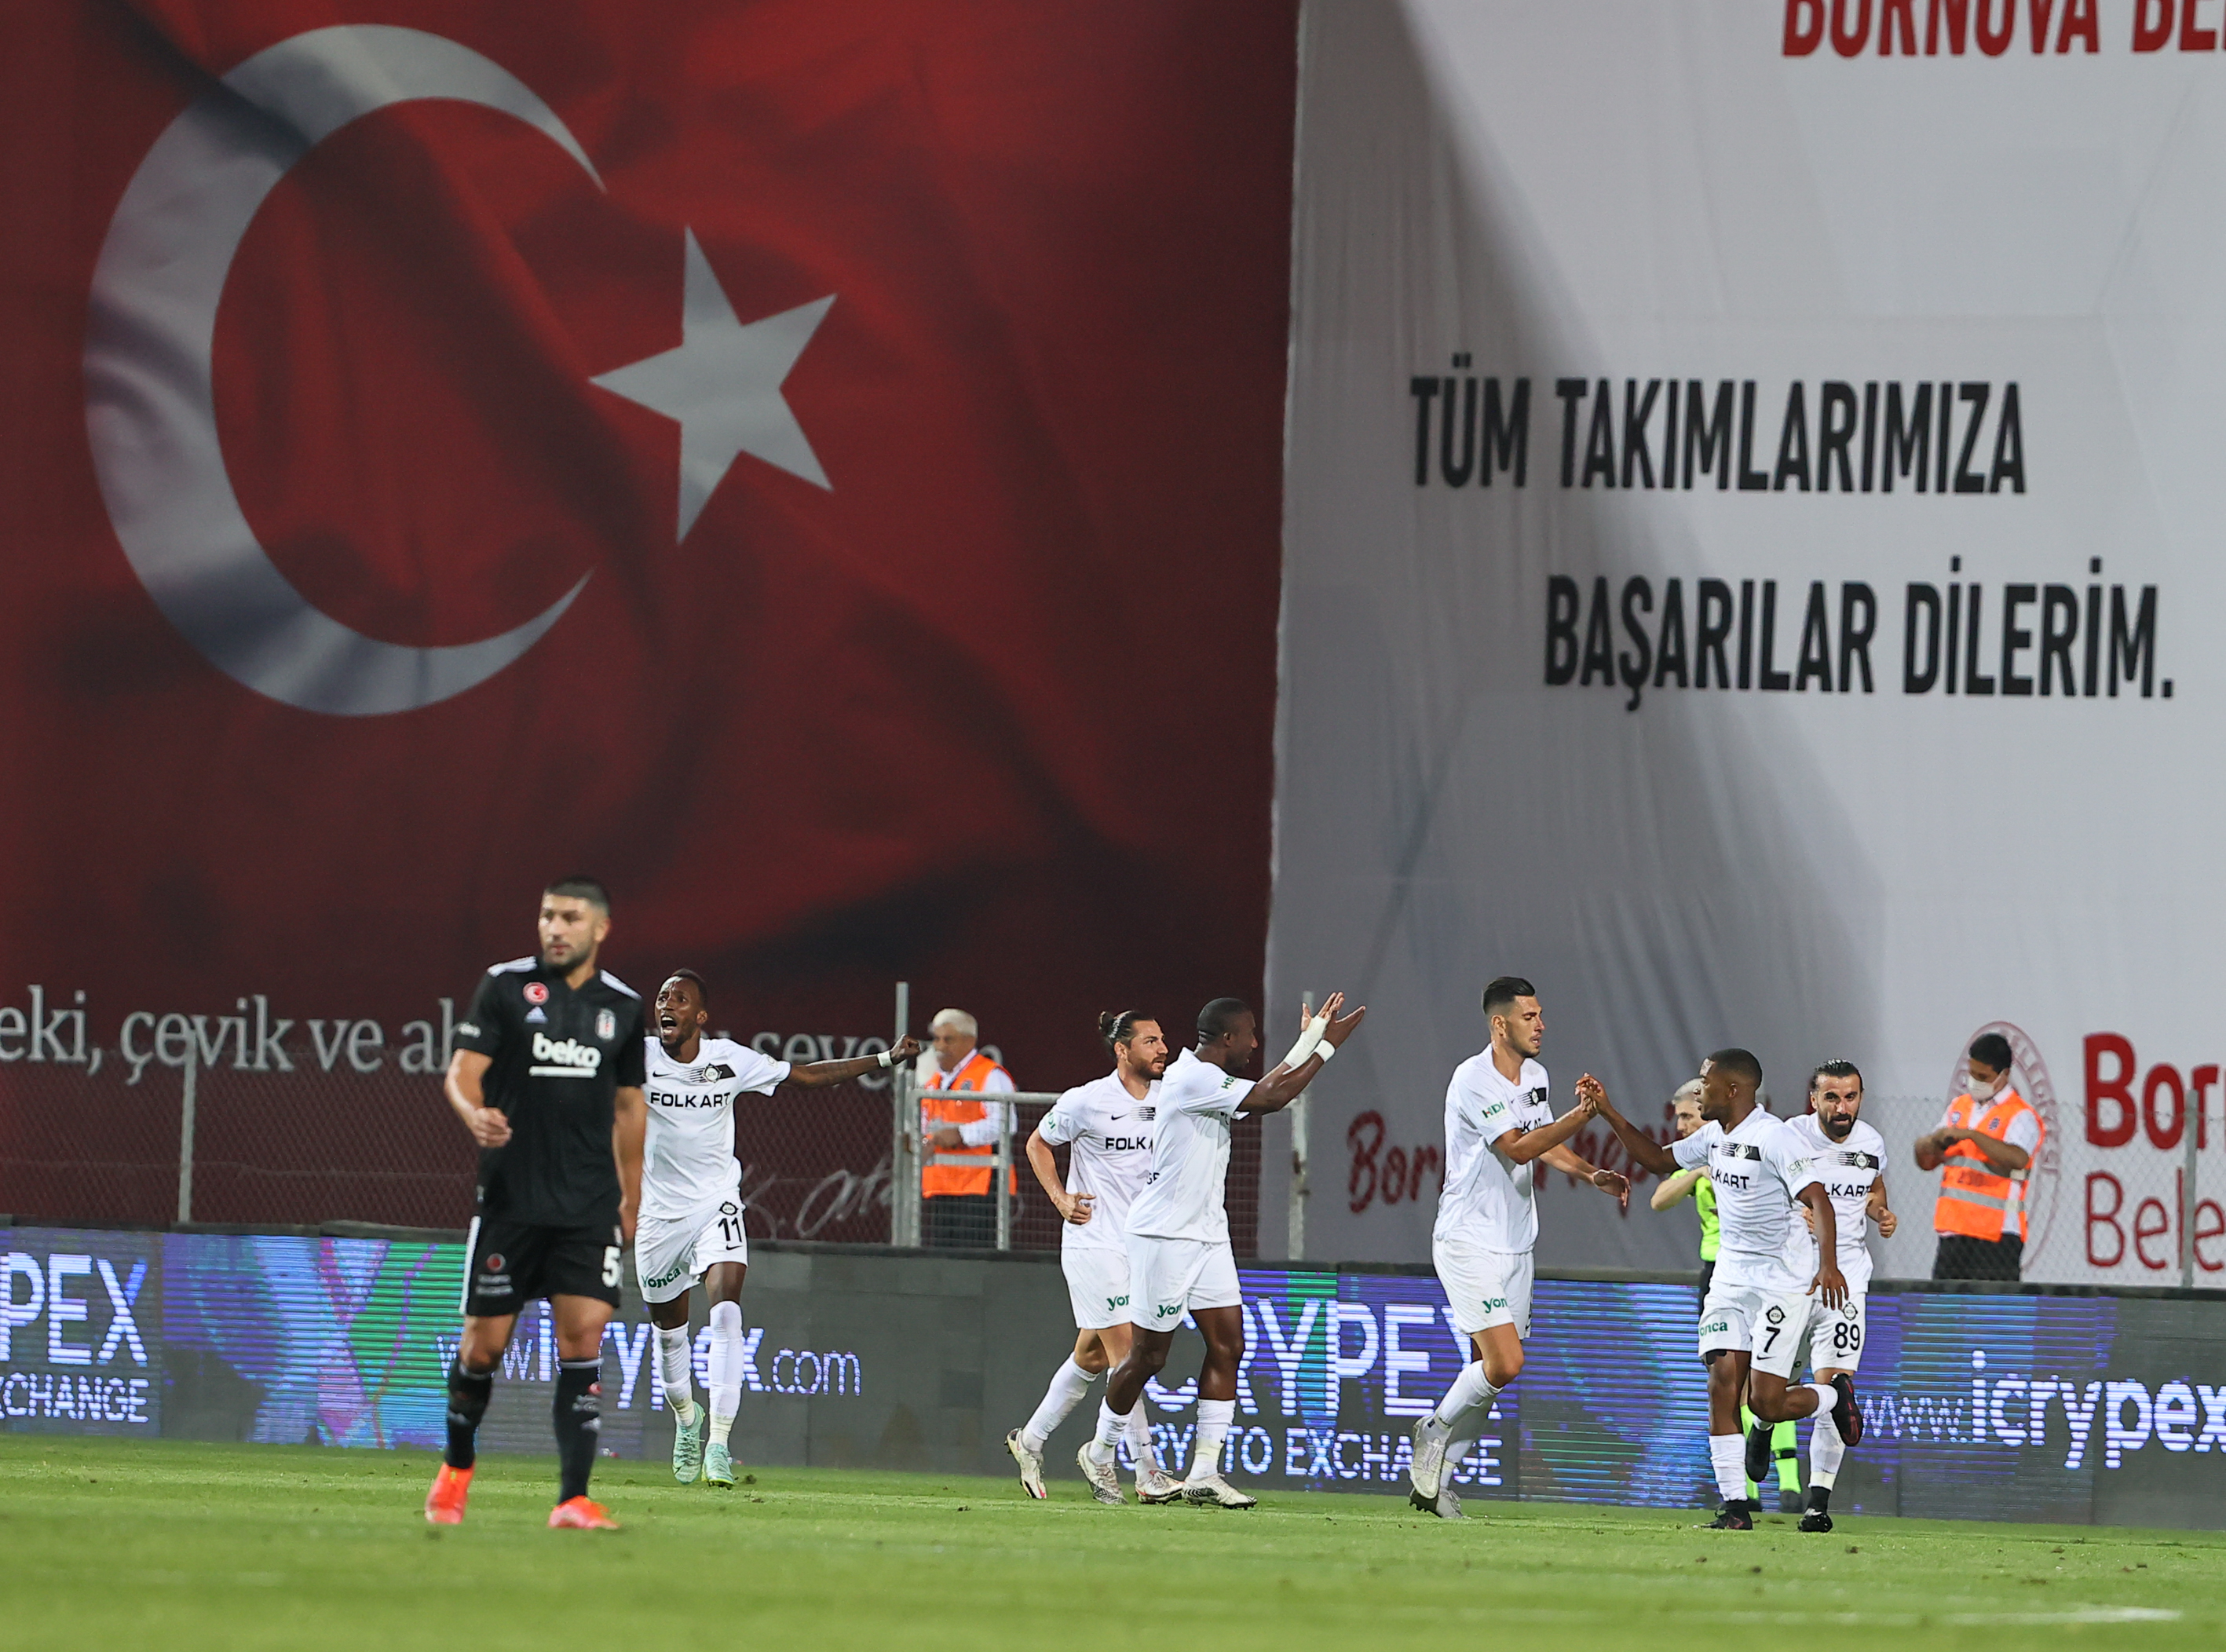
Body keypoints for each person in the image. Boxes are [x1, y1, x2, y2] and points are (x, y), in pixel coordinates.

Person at [425, 876, 648, 1531]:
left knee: (583, 1339)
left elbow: (630, 1105)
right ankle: (455, 1470)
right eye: (548, 915)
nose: (555, 928)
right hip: (511, 1201)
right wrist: (473, 1112)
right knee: (482, 1350)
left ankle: (572, 1499)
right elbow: (462, 1072)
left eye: (570, 918)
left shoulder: (624, 1008)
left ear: (599, 929)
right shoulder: (503, 987)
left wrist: (631, 1194)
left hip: (587, 1205)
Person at [1084, 994, 1365, 1508]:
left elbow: (1267, 1085)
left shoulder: (1208, 1078)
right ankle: (1099, 1453)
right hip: (1163, 1234)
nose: (1255, 1043)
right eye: (1250, 1034)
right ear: (1227, 1038)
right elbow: (1273, 1097)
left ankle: (1203, 1474)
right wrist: (1324, 1048)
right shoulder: (1192, 1077)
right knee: (1149, 1356)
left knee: (1228, 1346)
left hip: (1208, 1234)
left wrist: (1307, 1040)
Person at [641, 970, 921, 1487]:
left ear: (699, 1017)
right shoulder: (635, 1059)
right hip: (657, 1217)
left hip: (715, 1205)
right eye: (662, 997)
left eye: (679, 999)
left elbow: (808, 1077)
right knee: (668, 1339)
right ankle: (687, 1420)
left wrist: (884, 1059)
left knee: (726, 1317)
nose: (667, 1004)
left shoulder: (728, 1058)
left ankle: (720, 1445)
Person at [1584, 1050, 1864, 1530]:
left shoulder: (1774, 1138)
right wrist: (1607, 1111)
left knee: (1766, 1403)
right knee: (1720, 1386)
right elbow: (1654, 1159)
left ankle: (1835, 1396)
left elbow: (1818, 1197)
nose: (1699, 1092)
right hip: (1730, 1281)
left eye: (1706, 1085)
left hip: (1782, 1284)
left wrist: (1831, 1266)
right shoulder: (1713, 1136)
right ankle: (1735, 1507)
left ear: (1733, 1091)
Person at [1407, 977, 1628, 1520]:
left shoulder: (1535, 1075)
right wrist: (1581, 1116)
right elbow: (1516, 1146)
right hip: (1467, 1239)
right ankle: (1430, 1431)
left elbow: (1541, 1143)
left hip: (1515, 1244)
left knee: (1488, 1373)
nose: (1541, 1025)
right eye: (1529, 1016)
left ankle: (1437, 1486)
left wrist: (1588, 1171)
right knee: (1505, 1362)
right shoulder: (1473, 1079)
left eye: (1540, 1014)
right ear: (1499, 1023)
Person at [1005, 1011, 1179, 1505]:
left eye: (1163, 1039)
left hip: (1142, 1245)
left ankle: (1031, 1440)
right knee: (1129, 1356)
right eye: (1151, 1041)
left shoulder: (1170, 1099)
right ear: (1123, 1050)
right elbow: (1039, 1144)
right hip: (1093, 1241)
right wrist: (1061, 1199)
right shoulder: (1087, 1100)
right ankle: (1143, 1470)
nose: (1162, 1048)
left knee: (1093, 1354)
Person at [1652, 1080, 1797, 1513]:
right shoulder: (1704, 1155)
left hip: (1767, 1274)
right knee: (1728, 1384)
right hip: (1719, 1275)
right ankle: (1745, 1494)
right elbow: (1659, 1199)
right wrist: (1698, 1172)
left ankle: (1789, 1484)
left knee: (1768, 1382)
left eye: (1686, 1117)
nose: (1680, 1126)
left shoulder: (1758, 1148)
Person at [1766, 1059, 1895, 1533]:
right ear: (1814, 1100)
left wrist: (1881, 1211)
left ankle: (1818, 1504)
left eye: (1852, 1097)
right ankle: (1762, 1430)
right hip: (1793, 1275)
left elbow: (1874, 1186)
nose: (1844, 1108)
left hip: (1849, 1278)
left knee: (1837, 1381)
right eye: (1833, 1098)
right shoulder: (1789, 1136)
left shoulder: (1872, 1142)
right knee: (1766, 1392)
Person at [1913, 1032, 2041, 1281]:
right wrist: (1933, 1143)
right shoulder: (1959, 1107)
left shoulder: (2020, 1115)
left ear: (2004, 1075)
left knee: (1992, 1315)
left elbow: (2017, 1158)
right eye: (1972, 1074)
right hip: (1954, 1231)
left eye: (1983, 1077)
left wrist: (1971, 1136)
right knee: (1944, 1314)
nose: (1975, 1082)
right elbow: (1925, 1161)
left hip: (1996, 1235)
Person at [919, 1008, 1016, 1249]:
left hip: (979, 1186)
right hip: (942, 1185)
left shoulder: (989, 1075)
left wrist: (962, 1135)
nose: (940, 1046)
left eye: (948, 1039)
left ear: (969, 1041)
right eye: (937, 1038)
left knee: (974, 1262)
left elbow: (1006, 1123)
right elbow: (926, 1125)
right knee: (942, 1262)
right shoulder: (933, 1083)